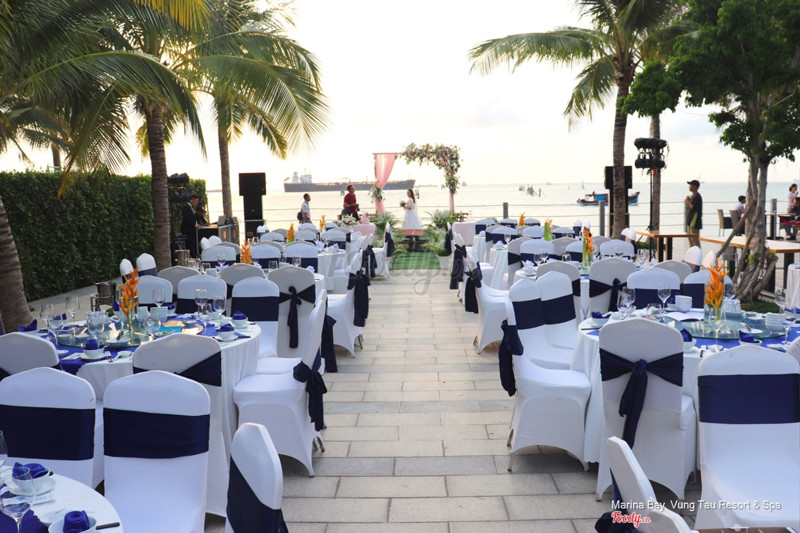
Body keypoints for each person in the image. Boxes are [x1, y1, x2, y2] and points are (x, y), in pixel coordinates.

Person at [685, 179, 702, 247]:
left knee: (695, 241)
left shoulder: (697, 197)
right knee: (691, 241)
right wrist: (689, 201)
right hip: (690, 221)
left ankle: (697, 253)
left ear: (695, 187)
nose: (689, 186)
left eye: (691, 185)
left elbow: (693, 207)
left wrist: (687, 201)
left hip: (694, 222)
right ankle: (692, 253)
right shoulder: (693, 196)